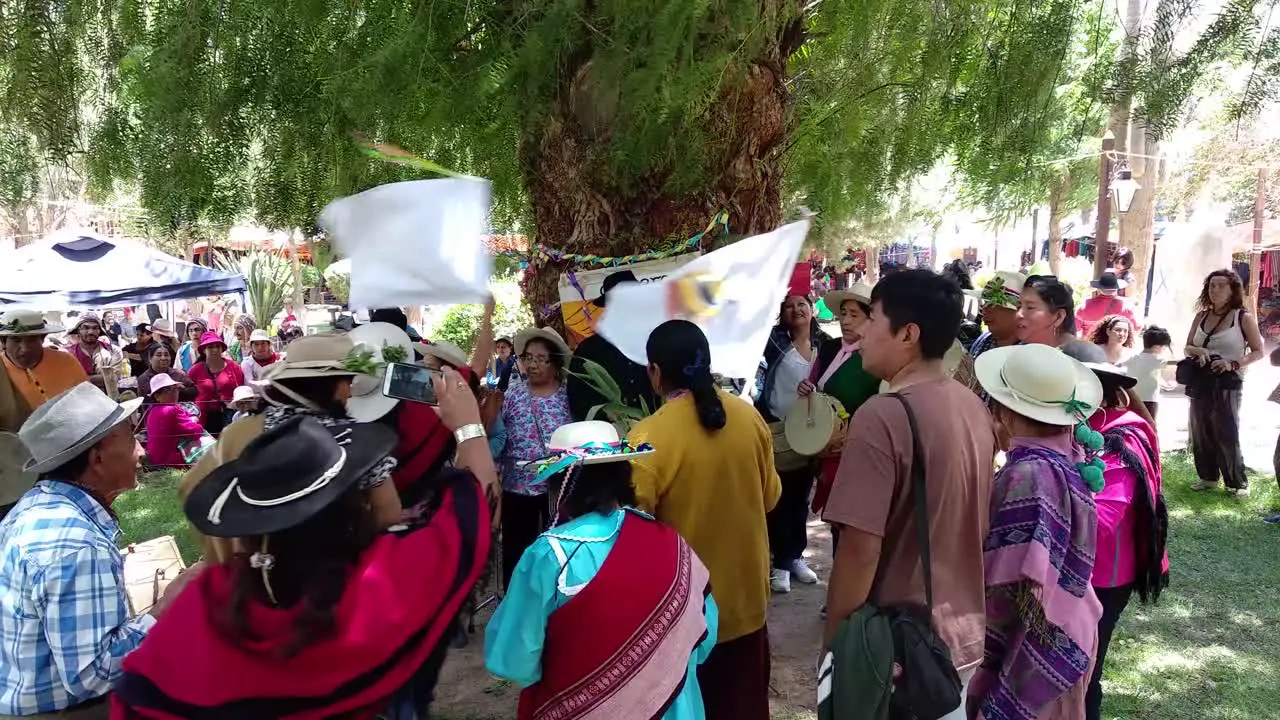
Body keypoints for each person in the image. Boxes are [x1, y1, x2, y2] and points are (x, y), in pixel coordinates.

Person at [112, 399, 496, 719]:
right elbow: (472, 513)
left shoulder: (200, 604)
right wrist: (467, 424)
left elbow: (135, 699)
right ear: (351, 507)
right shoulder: (381, 585)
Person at [822, 270, 995, 717]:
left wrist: (835, 649)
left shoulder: (882, 415)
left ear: (908, 334)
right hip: (959, 645)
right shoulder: (971, 405)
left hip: (897, 657)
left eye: (873, 319)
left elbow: (859, 550)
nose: (859, 332)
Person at [485, 421, 718, 720]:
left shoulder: (550, 555)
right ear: (624, 477)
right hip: (673, 707)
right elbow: (704, 635)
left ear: (561, 485)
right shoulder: (671, 543)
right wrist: (656, 668)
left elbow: (514, 658)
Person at [0, 383, 197, 717]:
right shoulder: (76, 547)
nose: (142, 452)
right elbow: (93, 676)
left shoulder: (42, 504)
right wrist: (166, 605)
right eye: (132, 439)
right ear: (98, 457)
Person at [628, 320, 780, 720]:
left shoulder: (646, 437)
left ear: (655, 372)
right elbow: (770, 498)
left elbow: (632, 531)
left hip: (684, 615)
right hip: (747, 604)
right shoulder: (749, 419)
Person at [179, 333, 410, 563]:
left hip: (255, 575)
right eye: (348, 382)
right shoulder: (361, 443)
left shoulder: (239, 433)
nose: (350, 393)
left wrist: (233, 552)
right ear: (331, 386)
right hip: (334, 577)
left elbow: (191, 488)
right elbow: (388, 515)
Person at [968, 343, 1105, 720]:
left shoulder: (1026, 476)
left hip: (1035, 638)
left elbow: (1002, 582)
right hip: (1071, 627)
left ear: (1006, 412)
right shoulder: (1068, 457)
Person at [1079, 363, 1168, 720]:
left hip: (1103, 578)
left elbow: (1099, 522)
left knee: (1083, 676)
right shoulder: (1087, 427)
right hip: (1083, 570)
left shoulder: (1121, 437)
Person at [755, 293, 829, 593]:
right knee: (778, 496)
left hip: (812, 430)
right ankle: (780, 563)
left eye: (802, 304)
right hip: (777, 428)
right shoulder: (773, 341)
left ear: (812, 309)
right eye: (789, 306)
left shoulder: (825, 344)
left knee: (801, 496)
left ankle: (795, 556)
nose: (796, 310)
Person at [500, 327, 575, 590]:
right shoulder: (513, 394)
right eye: (527, 357)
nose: (531, 364)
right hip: (517, 487)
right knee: (517, 553)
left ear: (555, 362)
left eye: (540, 359)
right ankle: (516, 607)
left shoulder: (569, 396)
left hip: (559, 487)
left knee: (559, 550)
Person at [1183, 269, 1264, 495]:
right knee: (1200, 429)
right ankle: (1207, 477)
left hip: (1228, 382)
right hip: (1200, 381)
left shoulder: (1243, 317)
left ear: (1232, 290)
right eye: (1211, 286)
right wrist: (1198, 350)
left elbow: (1259, 351)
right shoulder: (1201, 316)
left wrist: (1233, 363)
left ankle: (1236, 483)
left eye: (1221, 286)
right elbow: (1187, 346)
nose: (1215, 290)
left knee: (1226, 430)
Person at [566, 270, 660, 422]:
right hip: (612, 438)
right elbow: (579, 401)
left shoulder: (656, 343)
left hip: (659, 432)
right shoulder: (589, 351)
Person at [955, 271, 1026, 403]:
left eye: (993, 304)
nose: (984, 308)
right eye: (985, 302)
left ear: (1017, 311)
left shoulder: (1028, 356)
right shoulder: (983, 341)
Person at [1017, 274, 1107, 363]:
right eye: (1018, 307)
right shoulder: (1021, 349)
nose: (1019, 314)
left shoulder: (1086, 355)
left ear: (1059, 316)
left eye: (1030, 308)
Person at [188, 331, 247, 435]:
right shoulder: (195, 370)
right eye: (210, 347)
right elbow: (187, 395)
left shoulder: (234, 367)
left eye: (217, 346)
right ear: (204, 350)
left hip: (230, 416)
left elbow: (241, 389)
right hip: (204, 419)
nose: (215, 350)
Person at [144, 374, 209, 469]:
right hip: (170, 461)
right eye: (168, 390)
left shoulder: (153, 410)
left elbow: (185, 417)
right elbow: (196, 432)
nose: (174, 392)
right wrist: (194, 420)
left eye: (176, 388)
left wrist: (190, 418)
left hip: (156, 459)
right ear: (157, 396)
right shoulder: (171, 410)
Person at [1123, 325, 1172, 419]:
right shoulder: (1159, 361)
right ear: (1156, 347)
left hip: (1133, 398)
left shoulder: (1133, 358)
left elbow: (1149, 375)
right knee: (1150, 424)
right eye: (1164, 347)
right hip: (1151, 400)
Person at [1075, 271, 1139, 341]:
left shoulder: (1084, 306)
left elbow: (1075, 330)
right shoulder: (1126, 306)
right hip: (1114, 348)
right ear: (1116, 289)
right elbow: (1136, 328)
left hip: (1090, 347)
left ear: (1099, 289)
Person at [66, 314, 124, 390]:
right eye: (86, 328)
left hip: (107, 399)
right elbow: (67, 381)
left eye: (95, 328)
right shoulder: (68, 354)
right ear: (78, 330)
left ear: (100, 331)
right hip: (78, 399)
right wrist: (102, 378)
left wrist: (80, 379)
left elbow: (113, 379)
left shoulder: (113, 351)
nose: (90, 332)